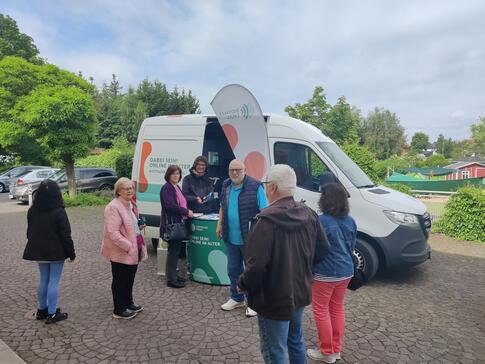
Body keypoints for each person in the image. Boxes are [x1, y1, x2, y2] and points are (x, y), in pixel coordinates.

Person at [237, 164, 330, 364]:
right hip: (299, 290)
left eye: (264, 185)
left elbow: (256, 265)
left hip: (273, 298)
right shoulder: (309, 214)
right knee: (295, 341)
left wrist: (243, 284)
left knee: (275, 350)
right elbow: (323, 249)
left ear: (272, 187)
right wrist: (305, 270)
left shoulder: (265, 221)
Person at [307, 183, 357, 364]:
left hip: (325, 273)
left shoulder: (321, 221)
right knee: (337, 308)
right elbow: (351, 247)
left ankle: (326, 352)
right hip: (346, 272)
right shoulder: (350, 220)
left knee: (321, 310)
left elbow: (312, 248)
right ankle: (336, 349)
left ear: (325, 200)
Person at [216, 159, 268, 317]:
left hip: (249, 239)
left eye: (238, 169)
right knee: (233, 270)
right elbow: (222, 207)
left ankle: (253, 302)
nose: (234, 173)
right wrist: (219, 224)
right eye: (231, 170)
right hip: (230, 238)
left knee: (252, 271)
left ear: (245, 170)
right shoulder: (226, 185)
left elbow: (264, 211)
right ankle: (236, 298)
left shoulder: (256, 186)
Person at [22, 180, 75, 324]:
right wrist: (71, 253)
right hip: (56, 252)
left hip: (39, 252)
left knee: (44, 279)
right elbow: (65, 234)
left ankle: (41, 310)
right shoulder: (59, 210)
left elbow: (29, 232)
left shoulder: (32, 210)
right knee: (54, 281)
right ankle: (52, 313)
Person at [101, 177, 147, 320]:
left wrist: (139, 226)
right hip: (121, 249)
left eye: (131, 188)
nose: (130, 191)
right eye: (126, 188)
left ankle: (128, 302)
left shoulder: (130, 204)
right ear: (118, 191)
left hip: (134, 246)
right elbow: (113, 233)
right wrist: (128, 246)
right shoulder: (113, 207)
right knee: (120, 279)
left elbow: (129, 225)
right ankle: (119, 309)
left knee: (130, 278)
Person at [160, 165, 194, 288]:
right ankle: (171, 280)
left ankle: (174, 275)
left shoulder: (176, 187)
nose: (176, 176)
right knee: (173, 252)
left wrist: (187, 210)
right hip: (172, 224)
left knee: (176, 252)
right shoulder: (167, 188)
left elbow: (181, 203)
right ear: (168, 175)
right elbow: (170, 205)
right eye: (173, 173)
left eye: (178, 173)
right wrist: (185, 212)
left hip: (179, 223)